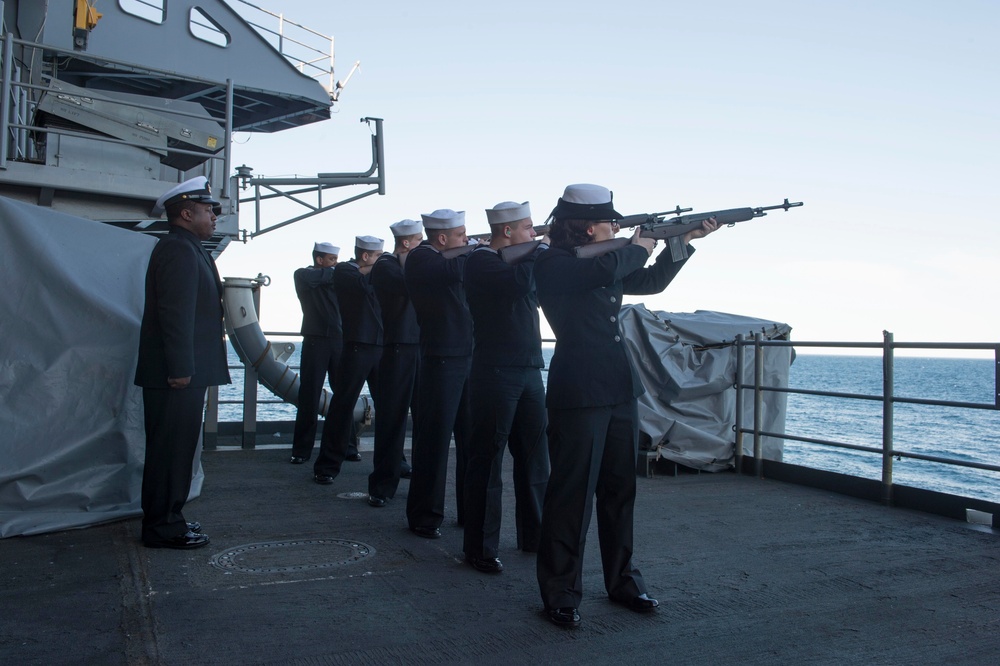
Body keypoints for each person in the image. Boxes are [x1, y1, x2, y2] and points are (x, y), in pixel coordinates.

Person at [533, 183, 718, 627]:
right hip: (578, 391)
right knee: (570, 496)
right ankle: (560, 591)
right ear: (585, 227)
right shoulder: (552, 262)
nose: (616, 227)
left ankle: (623, 582)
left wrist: (681, 241)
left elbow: (648, 282)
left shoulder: (603, 261)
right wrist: (639, 243)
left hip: (619, 388)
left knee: (620, 492)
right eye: (609, 222)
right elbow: (610, 269)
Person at [134, 176, 231, 549]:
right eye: (208, 210)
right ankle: (161, 526)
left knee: (178, 451)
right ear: (186, 213)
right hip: (177, 375)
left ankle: (171, 518)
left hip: (186, 372)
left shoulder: (190, 248)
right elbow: (175, 314)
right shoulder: (177, 249)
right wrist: (179, 368)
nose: (214, 217)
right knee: (168, 453)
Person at [462, 201, 551, 574]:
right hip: (495, 372)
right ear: (509, 231)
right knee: (488, 460)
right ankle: (480, 549)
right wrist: (541, 255)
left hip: (530, 368)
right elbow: (518, 284)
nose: (535, 234)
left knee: (535, 460)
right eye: (530, 228)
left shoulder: (519, 259)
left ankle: (535, 536)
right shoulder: (480, 260)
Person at [403, 209, 474, 538]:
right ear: (442, 238)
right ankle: (424, 516)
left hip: (468, 356)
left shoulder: (448, 258)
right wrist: (478, 250)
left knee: (471, 441)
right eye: (462, 235)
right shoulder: (421, 257)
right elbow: (454, 268)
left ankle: (469, 510)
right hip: (441, 359)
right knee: (433, 442)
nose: (467, 239)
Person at [313, 236, 384, 484]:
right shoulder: (345, 270)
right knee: (342, 406)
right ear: (365, 256)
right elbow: (363, 286)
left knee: (388, 408)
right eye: (378, 256)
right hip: (357, 346)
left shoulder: (375, 272)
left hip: (382, 346)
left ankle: (394, 462)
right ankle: (327, 465)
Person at [367, 219, 424, 507]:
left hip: (422, 347)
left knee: (425, 420)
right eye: (419, 241)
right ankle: (381, 486)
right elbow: (407, 285)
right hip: (398, 347)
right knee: (392, 419)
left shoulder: (408, 261)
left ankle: (416, 479)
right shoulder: (386, 265)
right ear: (405, 244)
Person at [289, 242, 351, 465]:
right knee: (309, 395)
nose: (335, 264)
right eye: (332, 259)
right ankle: (301, 449)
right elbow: (314, 278)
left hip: (339, 340)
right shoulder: (304, 275)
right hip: (315, 341)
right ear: (320, 260)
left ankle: (348, 445)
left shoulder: (333, 277)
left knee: (344, 393)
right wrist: (336, 271)